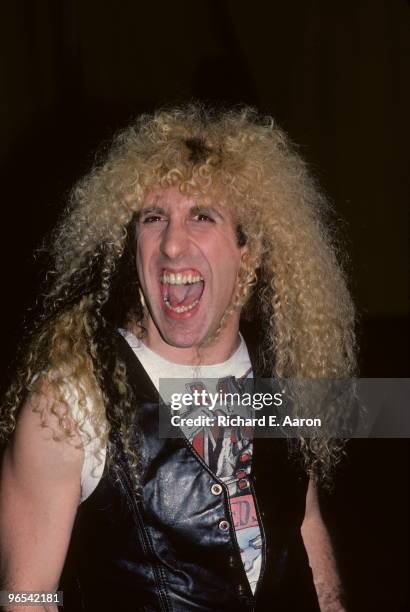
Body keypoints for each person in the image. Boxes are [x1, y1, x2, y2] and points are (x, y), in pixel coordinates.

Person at [0, 106, 356, 611]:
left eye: (201, 216)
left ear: (248, 251)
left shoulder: (286, 378)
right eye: (153, 218)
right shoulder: (70, 401)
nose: (171, 243)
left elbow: (305, 521)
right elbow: (25, 598)